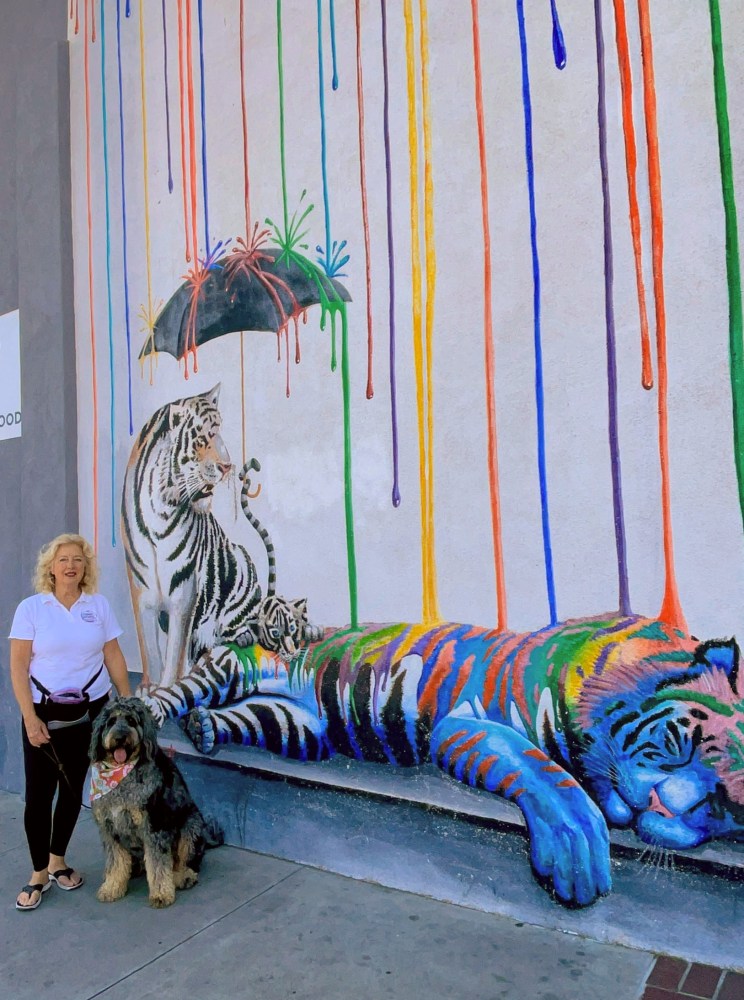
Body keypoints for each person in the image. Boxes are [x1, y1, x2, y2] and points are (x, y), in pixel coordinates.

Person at [9, 533, 132, 910]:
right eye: (63, 559)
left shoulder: (97, 605)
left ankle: (58, 861)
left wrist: (126, 704)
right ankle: (38, 874)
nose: (71, 566)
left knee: (72, 788)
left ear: (85, 567)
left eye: (78, 559)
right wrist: (29, 717)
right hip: (44, 713)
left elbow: (112, 653)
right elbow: (17, 665)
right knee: (38, 795)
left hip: (91, 714)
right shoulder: (32, 608)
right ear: (51, 566)